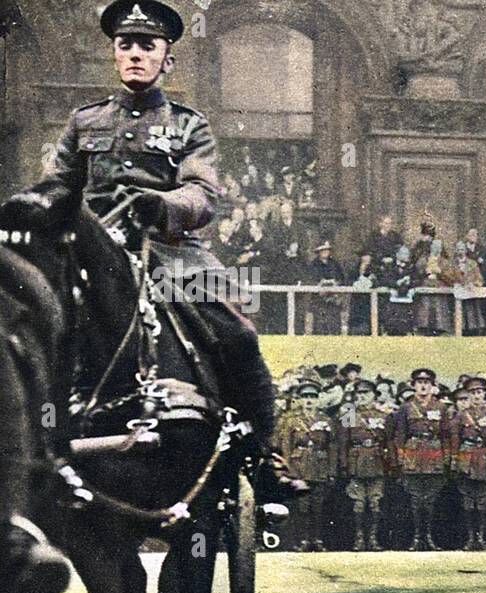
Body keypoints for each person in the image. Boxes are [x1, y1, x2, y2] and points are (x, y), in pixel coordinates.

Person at [2, 0, 305, 513]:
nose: (136, 54)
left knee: (239, 335)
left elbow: (202, 193)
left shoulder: (189, 125)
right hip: (89, 255)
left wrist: (162, 204)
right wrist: (28, 204)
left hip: (171, 257)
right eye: (126, 45)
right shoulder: (86, 121)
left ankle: (263, 454)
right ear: (116, 56)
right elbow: (59, 186)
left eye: (148, 46)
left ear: (167, 59)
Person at [392, 369, 454, 551]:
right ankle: (417, 537)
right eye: (419, 382)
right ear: (413, 386)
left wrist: (447, 458)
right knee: (415, 499)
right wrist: (401, 459)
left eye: (427, 382)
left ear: (432, 385)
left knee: (431, 499)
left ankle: (429, 536)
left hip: (434, 455)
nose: (423, 385)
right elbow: (400, 435)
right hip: (413, 456)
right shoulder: (406, 408)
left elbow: (445, 435)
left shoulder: (441, 408)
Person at [274, 380, 336, 551]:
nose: (309, 400)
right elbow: (286, 446)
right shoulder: (291, 421)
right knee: (302, 506)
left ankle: (317, 540)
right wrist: (287, 471)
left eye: (313, 396)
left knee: (318, 506)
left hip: (319, 465)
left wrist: (331, 470)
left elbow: (332, 446)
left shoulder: (326, 420)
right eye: (305, 397)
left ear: (318, 399)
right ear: (299, 400)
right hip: (299, 465)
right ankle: (302, 540)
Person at [336, 379, 393, 551]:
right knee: (358, 503)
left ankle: (373, 538)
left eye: (365, 393)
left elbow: (388, 441)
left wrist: (390, 463)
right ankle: (359, 538)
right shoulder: (349, 415)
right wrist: (344, 465)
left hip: (376, 461)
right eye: (358, 394)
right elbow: (343, 442)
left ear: (374, 396)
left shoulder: (383, 416)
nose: (361, 397)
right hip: (356, 462)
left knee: (375, 501)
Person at [451, 379, 486, 550]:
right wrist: (455, 459)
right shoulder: (461, 415)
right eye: (472, 393)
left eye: (479, 392)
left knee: (483, 500)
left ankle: (480, 538)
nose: (476, 396)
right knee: (467, 499)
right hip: (467, 456)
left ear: (484, 393)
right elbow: (455, 438)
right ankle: (470, 539)